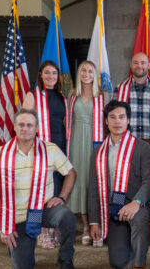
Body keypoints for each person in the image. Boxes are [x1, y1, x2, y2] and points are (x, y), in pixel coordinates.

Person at [0, 108, 77, 269]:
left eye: (29, 125)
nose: (25, 129)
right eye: (21, 124)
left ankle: (65, 258)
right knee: (23, 265)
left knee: (67, 217)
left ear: (37, 128)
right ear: (14, 126)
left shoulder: (50, 149)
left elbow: (71, 173)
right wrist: (1, 223)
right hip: (17, 216)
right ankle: (21, 247)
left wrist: (62, 197)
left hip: (44, 209)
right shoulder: (0, 154)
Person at [88, 100, 150, 269]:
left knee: (139, 224)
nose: (117, 121)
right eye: (112, 117)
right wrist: (94, 221)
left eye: (121, 117)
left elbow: (149, 181)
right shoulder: (98, 152)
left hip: (137, 204)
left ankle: (140, 263)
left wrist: (136, 202)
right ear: (106, 121)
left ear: (128, 120)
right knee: (117, 262)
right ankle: (134, 240)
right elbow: (94, 188)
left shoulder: (142, 147)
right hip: (112, 208)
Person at [22, 60, 68, 248]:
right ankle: (40, 230)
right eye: (47, 73)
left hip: (59, 148)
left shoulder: (61, 97)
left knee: (55, 189)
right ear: (40, 75)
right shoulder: (32, 96)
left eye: (54, 74)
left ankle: (52, 228)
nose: (51, 77)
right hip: (39, 149)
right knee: (38, 191)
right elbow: (24, 124)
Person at [66, 61, 110, 247]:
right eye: (83, 70)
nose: (86, 73)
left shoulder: (103, 96)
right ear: (78, 74)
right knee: (79, 180)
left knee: (94, 181)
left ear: (95, 75)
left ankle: (98, 225)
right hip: (76, 141)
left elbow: (110, 122)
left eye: (90, 71)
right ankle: (85, 226)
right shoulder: (71, 95)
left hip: (96, 142)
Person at [113, 52, 150, 142]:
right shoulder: (120, 89)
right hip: (127, 143)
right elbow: (113, 116)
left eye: (143, 63)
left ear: (149, 65)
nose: (139, 66)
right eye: (135, 63)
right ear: (131, 65)